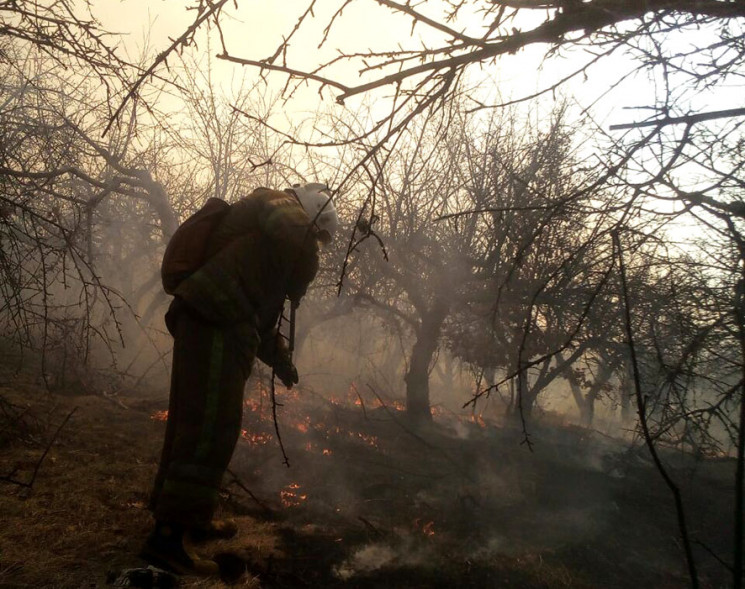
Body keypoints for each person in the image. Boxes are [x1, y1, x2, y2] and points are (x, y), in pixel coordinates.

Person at [142, 183, 339, 576]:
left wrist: (281, 359)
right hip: (213, 322)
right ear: (310, 213)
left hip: (219, 323)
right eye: (316, 237)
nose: (314, 246)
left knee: (199, 424)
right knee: (208, 428)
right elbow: (288, 224)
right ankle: (166, 541)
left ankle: (187, 520)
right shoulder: (276, 202)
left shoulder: (270, 256)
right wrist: (306, 259)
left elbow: (260, 319)